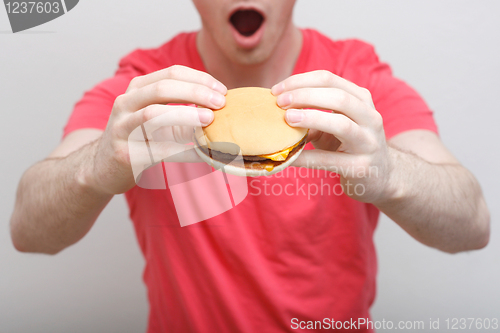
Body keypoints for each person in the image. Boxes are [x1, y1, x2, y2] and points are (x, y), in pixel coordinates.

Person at [10, 0, 490, 332]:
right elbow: (28, 230)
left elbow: (473, 225)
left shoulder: (355, 82)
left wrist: (391, 173)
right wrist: (96, 167)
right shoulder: (145, 90)